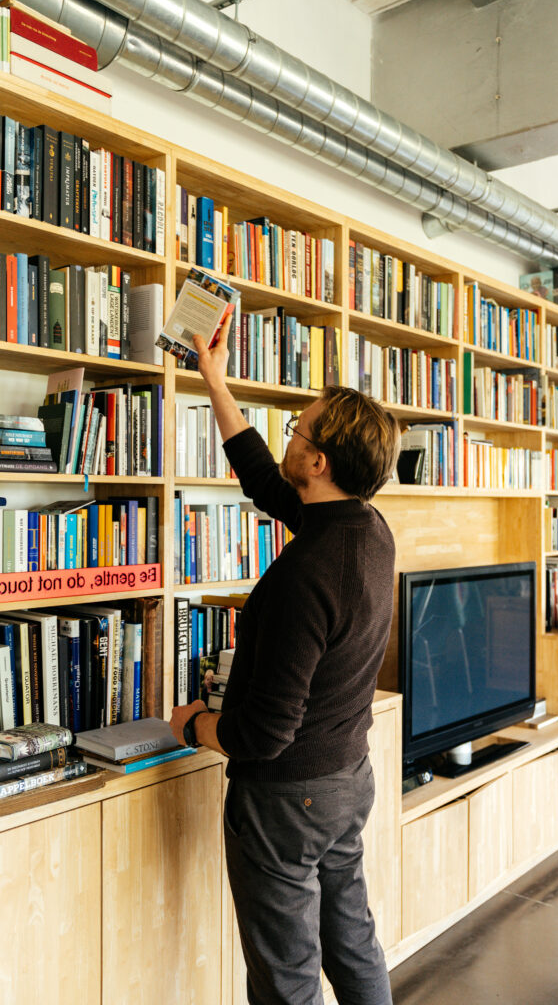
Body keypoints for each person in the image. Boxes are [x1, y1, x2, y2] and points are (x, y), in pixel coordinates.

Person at [170, 317, 400, 1005]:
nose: (288, 442)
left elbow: (263, 733)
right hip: (346, 778)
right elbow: (266, 485)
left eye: (297, 433)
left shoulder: (308, 572)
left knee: (286, 978)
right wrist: (212, 377)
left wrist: (194, 726)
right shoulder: (363, 528)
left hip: (286, 799)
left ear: (319, 461)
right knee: (351, 940)